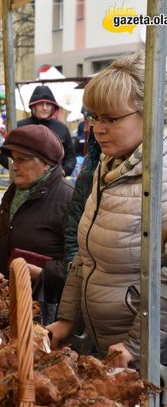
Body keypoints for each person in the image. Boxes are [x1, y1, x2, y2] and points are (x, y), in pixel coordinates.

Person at [48, 51, 167, 369]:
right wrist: (66, 319)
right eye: (94, 117)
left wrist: (135, 345)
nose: (97, 129)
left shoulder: (161, 178)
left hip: (148, 359)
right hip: (107, 349)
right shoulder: (109, 166)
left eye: (110, 119)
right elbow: (86, 257)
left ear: (150, 113)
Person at [0, 124, 74, 324]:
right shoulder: (14, 193)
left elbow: (81, 266)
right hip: (7, 300)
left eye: (22, 159)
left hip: (46, 309)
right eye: (13, 159)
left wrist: (42, 274)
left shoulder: (69, 199)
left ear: (46, 163)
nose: (14, 166)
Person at [0, 85, 76, 176]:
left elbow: (70, 158)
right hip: (26, 184)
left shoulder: (62, 129)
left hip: (55, 183)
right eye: (40, 104)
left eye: (48, 104)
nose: (45, 108)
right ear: (33, 106)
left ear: (53, 107)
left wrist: (63, 172)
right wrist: (20, 170)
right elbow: (3, 156)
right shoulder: (20, 127)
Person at [63, 111, 101, 265]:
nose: (90, 128)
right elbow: (73, 233)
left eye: (110, 119)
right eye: (89, 120)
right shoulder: (89, 169)